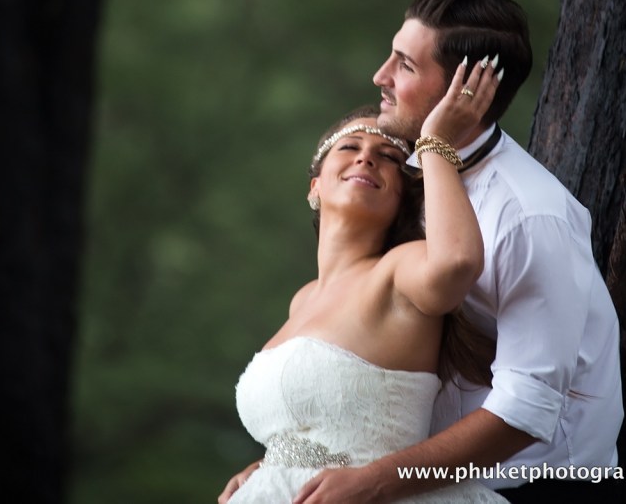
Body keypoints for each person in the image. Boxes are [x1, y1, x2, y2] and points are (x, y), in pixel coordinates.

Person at [290, 0, 624, 503]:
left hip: (524, 486)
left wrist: (375, 483)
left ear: (464, 92)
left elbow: (526, 412)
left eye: (404, 65)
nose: (380, 77)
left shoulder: (528, 217)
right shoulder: (406, 174)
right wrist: (284, 463)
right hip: (415, 474)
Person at [218, 60, 509, 503]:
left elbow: (457, 265)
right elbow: (312, 424)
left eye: (390, 157)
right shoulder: (303, 300)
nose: (366, 156)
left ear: (401, 195)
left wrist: (434, 145)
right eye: (349, 146)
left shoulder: (398, 271)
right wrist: (269, 468)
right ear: (315, 187)